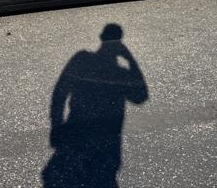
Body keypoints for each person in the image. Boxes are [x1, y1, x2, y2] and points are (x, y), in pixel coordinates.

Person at [42, 24, 148, 188]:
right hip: (105, 142)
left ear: (101, 38)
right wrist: (130, 59)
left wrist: (56, 123)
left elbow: (60, 91)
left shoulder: (82, 58)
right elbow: (141, 96)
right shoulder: (121, 73)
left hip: (80, 132)